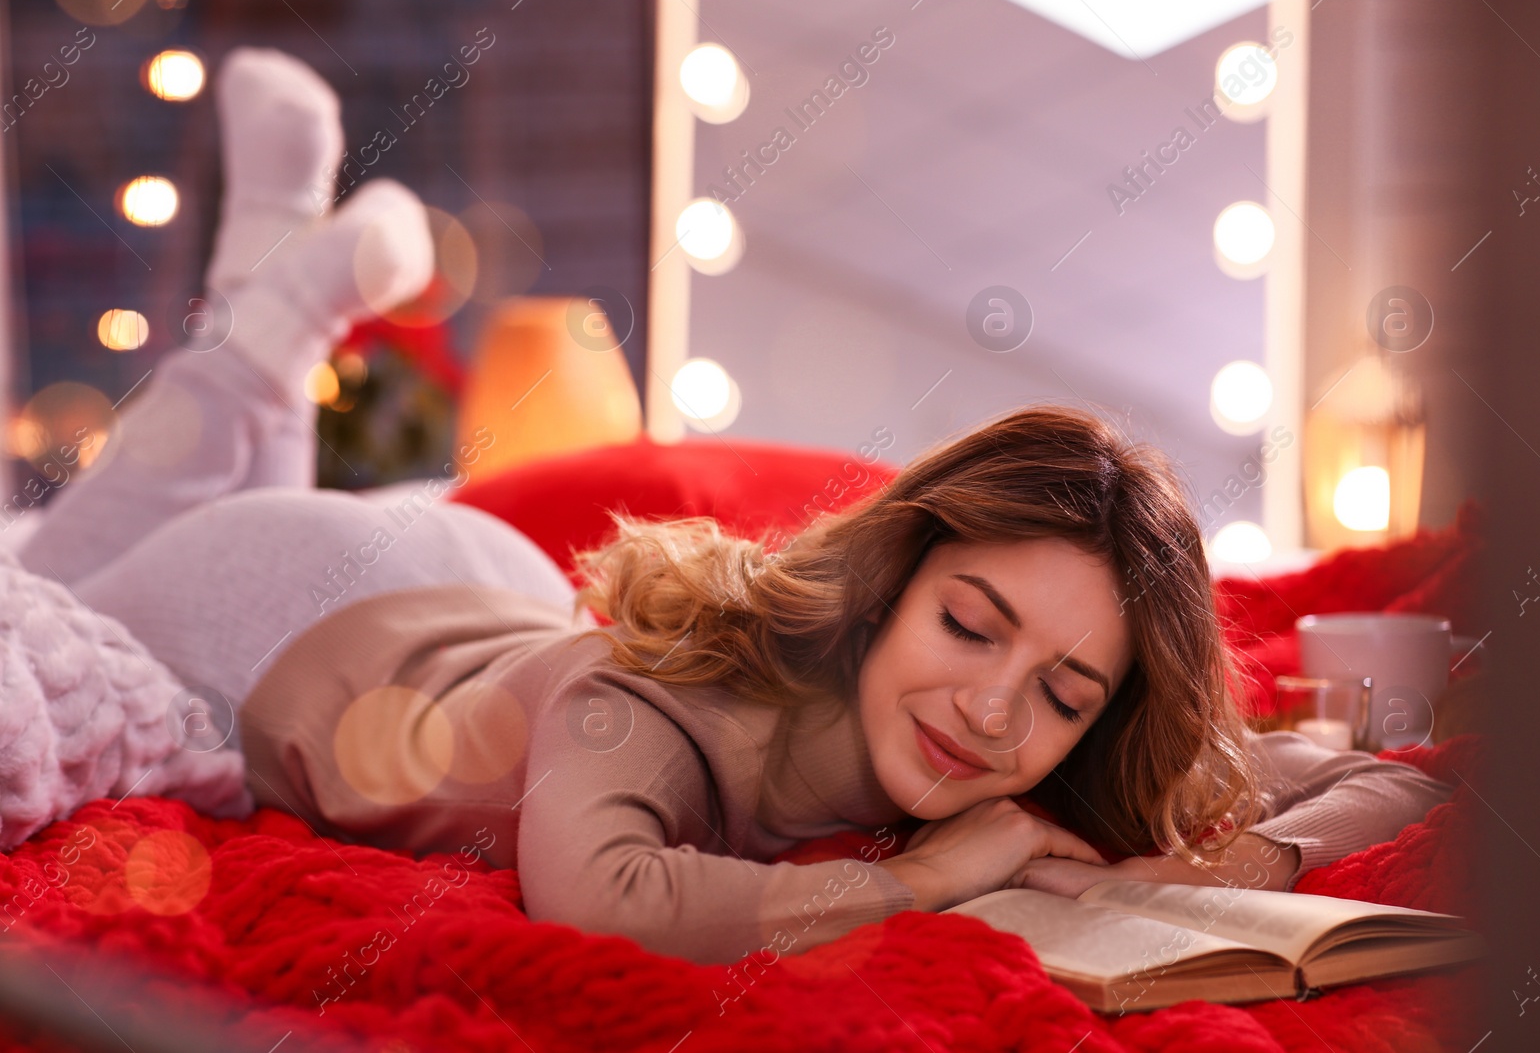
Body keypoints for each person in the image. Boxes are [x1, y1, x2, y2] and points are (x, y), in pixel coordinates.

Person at [8, 49, 1453, 969]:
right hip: (287, 630)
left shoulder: (1028, 745)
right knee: (79, 569)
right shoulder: (641, 707)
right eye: (971, 623)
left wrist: (1247, 853)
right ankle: (272, 314)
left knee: (209, 491)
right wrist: (935, 875)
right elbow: (605, 902)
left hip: (481, 590)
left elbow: (1422, 775)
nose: (1001, 716)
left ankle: (275, 253)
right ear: (895, 578)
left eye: (1067, 691)